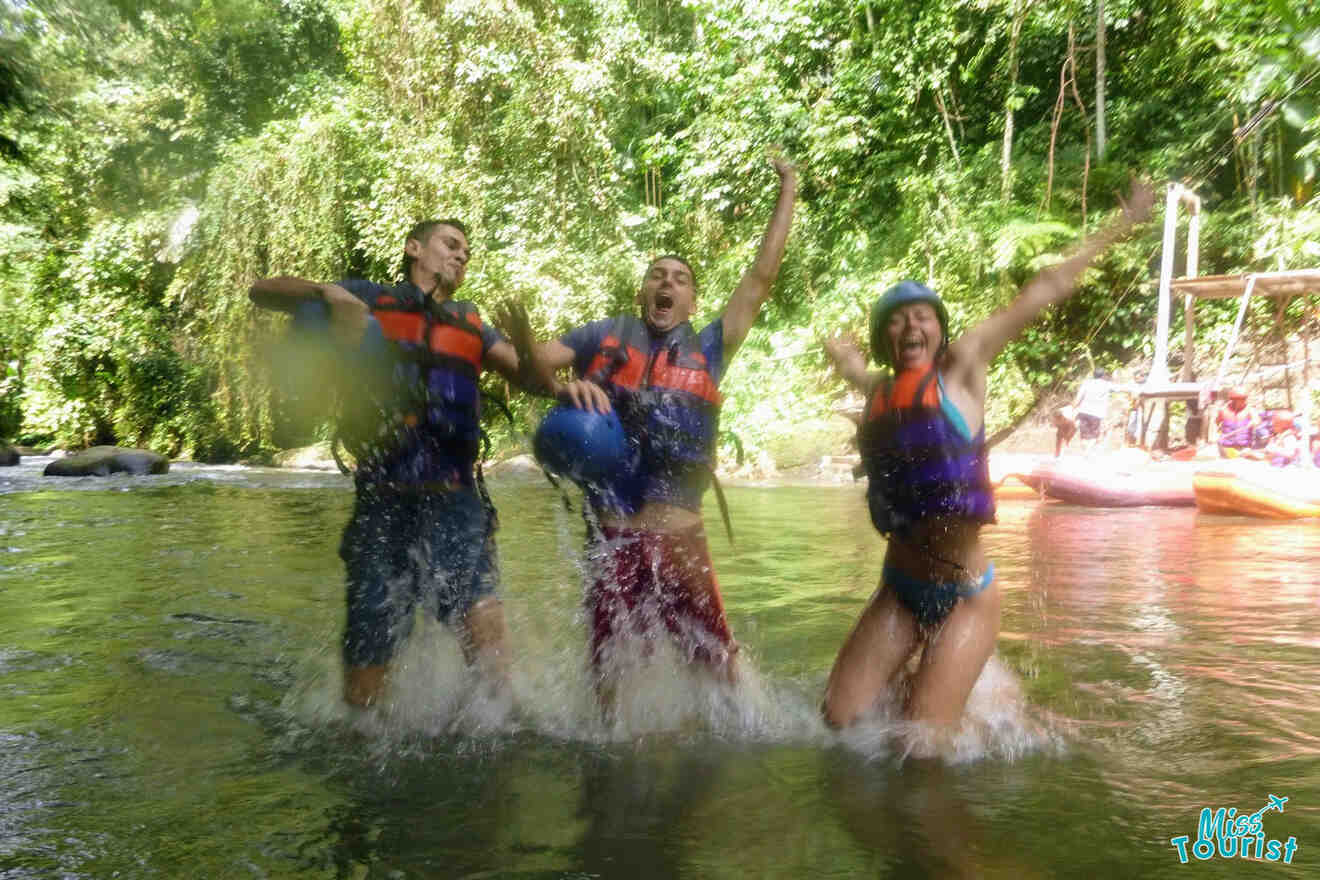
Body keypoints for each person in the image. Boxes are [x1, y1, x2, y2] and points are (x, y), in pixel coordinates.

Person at [819, 179, 1155, 735]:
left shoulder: (964, 368)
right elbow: (857, 370)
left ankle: (967, 688)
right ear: (886, 339)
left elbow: (1046, 288)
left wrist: (1123, 223)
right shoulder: (878, 390)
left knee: (920, 748)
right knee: (837, 720)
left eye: (923, 316)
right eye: (898, 320)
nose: (912, 326)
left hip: (964, 595)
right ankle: (945, 681)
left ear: (940, 330)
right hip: (899, 587)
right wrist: (843, 355)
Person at [503, 157, 797, 710]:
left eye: (680, 279)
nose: (667, 283)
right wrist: (530, 353)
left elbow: (761, 279)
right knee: (607, 684)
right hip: (613, 539)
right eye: (657, 275)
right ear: (643, 292)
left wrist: (789, 188)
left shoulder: (711, 346)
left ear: (692, 301)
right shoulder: (602, 335)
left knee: (719, 676)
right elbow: (533, 368)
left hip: (681, 540)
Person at [249, 219, 524, 708]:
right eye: (451, 245)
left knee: (488, 647)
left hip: (456, 499)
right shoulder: (366, 299)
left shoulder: (472, 320)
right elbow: (262, 291)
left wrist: (536, 353)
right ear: (413, 248)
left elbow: (529, 375)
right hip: (383, 500)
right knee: (368, 665)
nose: (461, 256)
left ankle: (499, 735)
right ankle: (364, 747)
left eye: (467, 251)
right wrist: (326, 294)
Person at [1072, 368, 1113, 454]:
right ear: (1103, 376)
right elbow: (1121, 388)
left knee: (1083, 434)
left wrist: (1074, 408)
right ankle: (1087, 451)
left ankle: (1085, 451)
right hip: (1096, 414)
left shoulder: (1086, 383)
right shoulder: (1106, 385)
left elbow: (1078, 398)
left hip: (1083, 412)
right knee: (1095, 434)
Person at [1214, 388, 1258, 458]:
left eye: (1244, 399)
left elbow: (1257, 420)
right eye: (1242, 399)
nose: (1244, 401)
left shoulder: (1249, 409)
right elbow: (1217, 422)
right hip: (1226, 446)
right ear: (1234, 400)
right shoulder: (1223, 410)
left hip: (1244, 447)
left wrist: (1254, 422)